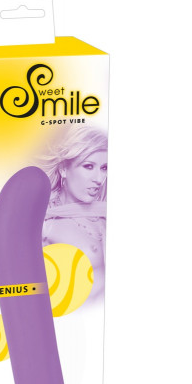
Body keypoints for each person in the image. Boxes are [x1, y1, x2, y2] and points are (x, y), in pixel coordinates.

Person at [38, 126, 108, 303]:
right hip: (75, 316)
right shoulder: (45, 223)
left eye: (104, 168)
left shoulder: (104, 211)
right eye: (88, 166)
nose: (99, 179)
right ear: (63, 169)